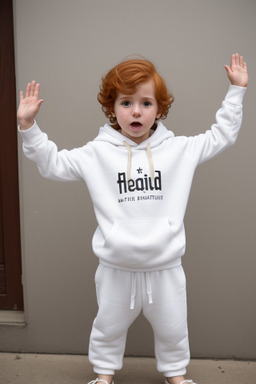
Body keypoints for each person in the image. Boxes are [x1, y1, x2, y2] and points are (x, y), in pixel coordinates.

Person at [17, 53, 248, 384]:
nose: (136, 111)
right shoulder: (96, 154)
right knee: (108, 326)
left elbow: (221, 135)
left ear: (160, 109)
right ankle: (103, 376)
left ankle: (176, 377)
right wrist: (28, 125)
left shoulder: (179, 150)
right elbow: (53, 163)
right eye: (126, 102)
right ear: (112, 109)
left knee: (173, 327)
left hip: (165, 267)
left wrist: (236, 91)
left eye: (146, 103)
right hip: (116, 268)